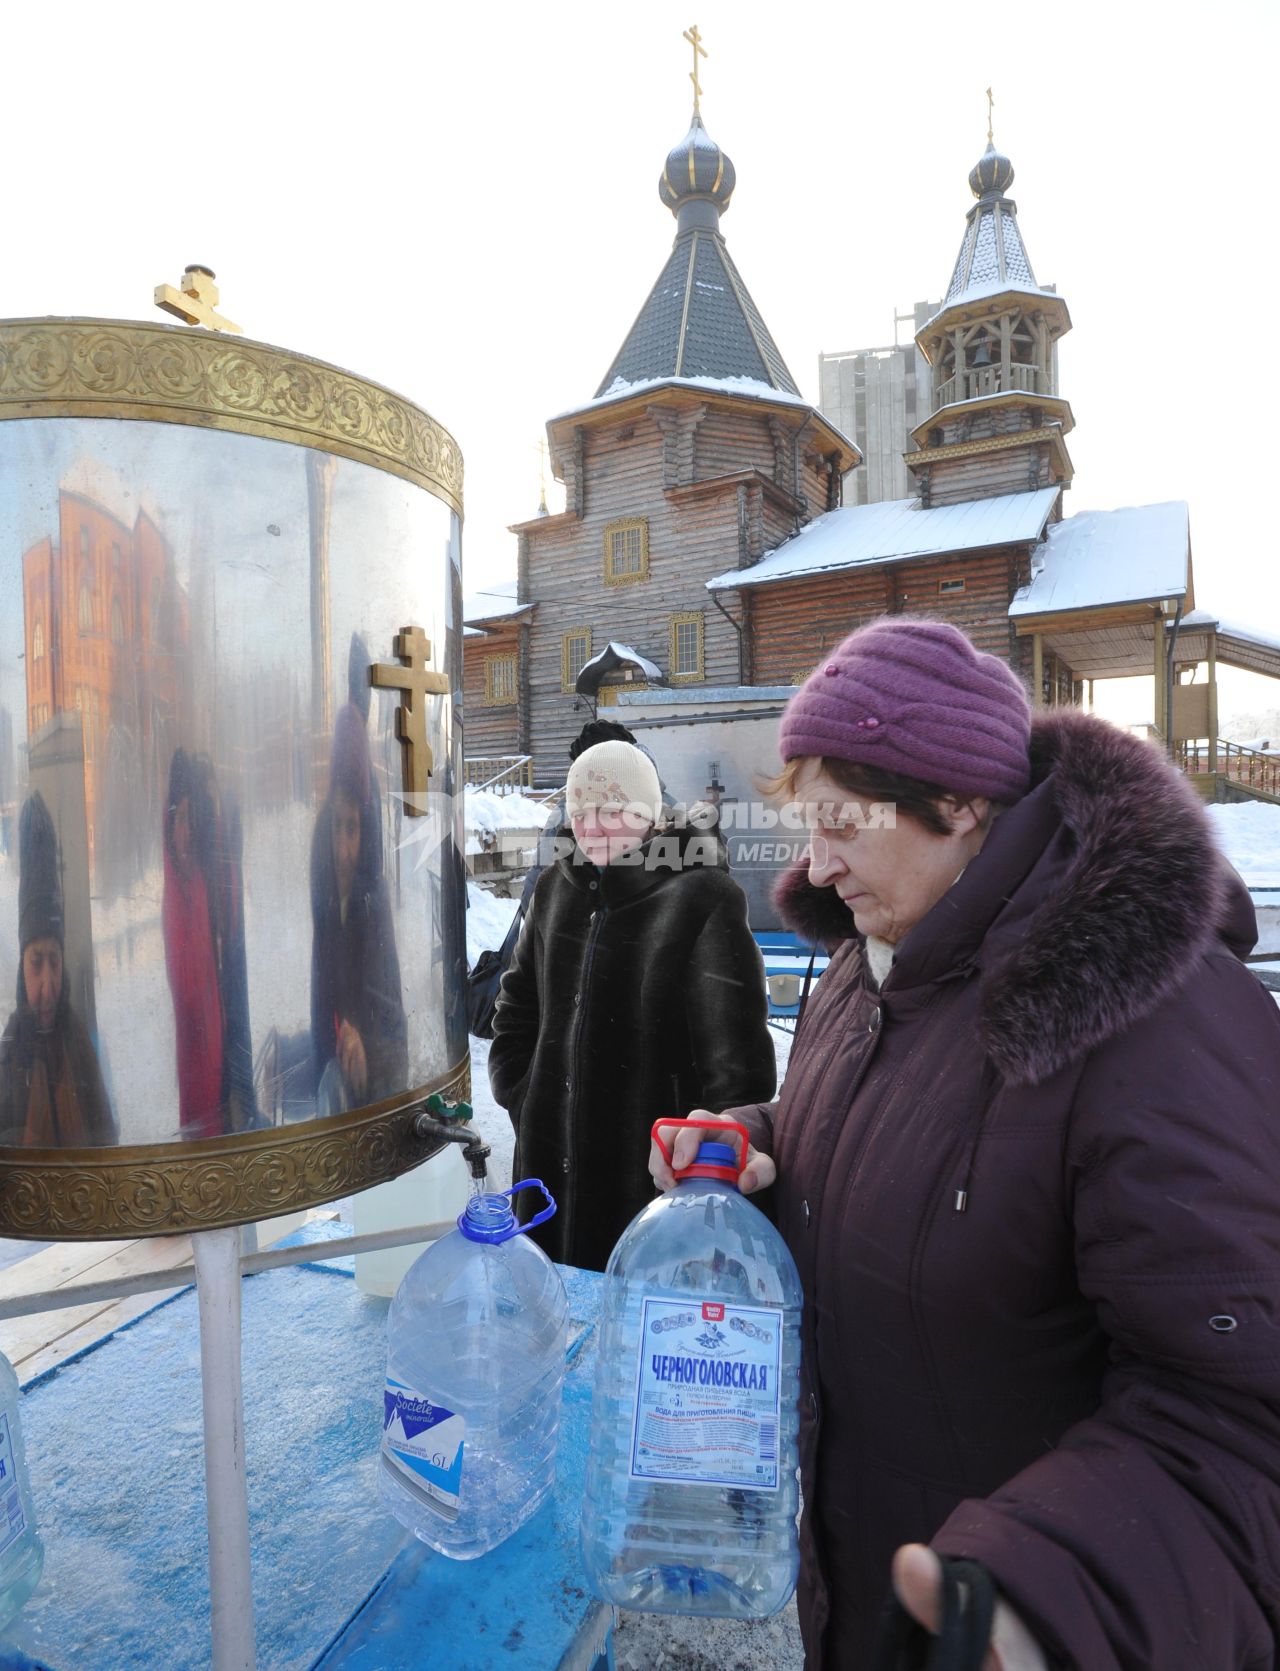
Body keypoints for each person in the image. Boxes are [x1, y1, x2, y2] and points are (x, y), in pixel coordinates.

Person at [652, 618, 1280, 1670]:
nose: (816, 865)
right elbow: (904, 1129)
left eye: (842, 823)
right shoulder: (875, 959)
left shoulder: (1150, 1015)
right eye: (808, 828)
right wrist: (757, 1144)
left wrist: (1050, 1594)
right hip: (865, 1583)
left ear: (957, 803)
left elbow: (1235, 1415)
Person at [489, 738, 775, 1272]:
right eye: (580, 813)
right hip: (548, 1167)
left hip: (653, 1176)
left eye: (612, 811)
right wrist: (521, 1095)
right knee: (553, 1310)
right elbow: (518, 1005)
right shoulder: (556, 888)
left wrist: (705, 1159)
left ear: (648, 815)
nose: (593, 827)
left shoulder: (701, 897)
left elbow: (736, 1066)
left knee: (635, 1316)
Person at [0, 793, 115, 1147]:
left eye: (55, 960)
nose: (48, 984)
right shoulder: (9, 1054)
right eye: (37, 962)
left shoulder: (80, 1046)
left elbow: (106, 1141)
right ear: (21, 966)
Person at [310, 703, 407, 1113]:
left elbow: (393, 1028)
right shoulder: (327, 902)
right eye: (336, 827)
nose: (342, 849)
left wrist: (364, 1044)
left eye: (353, 829)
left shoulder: (374, 908)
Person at [163, 749, 224, 1140]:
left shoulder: (208, 887)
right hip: (190, 1066)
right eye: (177, 819)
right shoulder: (176, 896)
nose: (183, 832)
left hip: (217, 1058)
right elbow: (186, 988)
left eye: (191, 818)